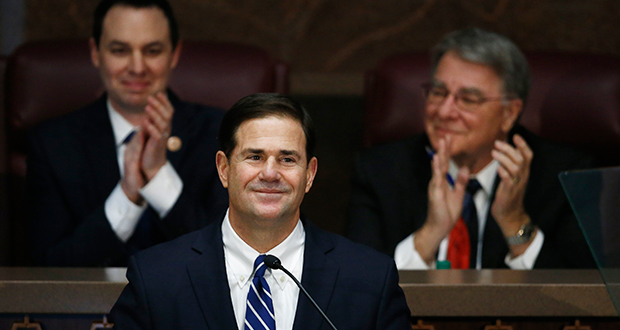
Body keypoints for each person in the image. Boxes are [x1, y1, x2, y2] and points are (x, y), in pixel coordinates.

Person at [110, 93, 412, 330]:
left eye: (287, 159)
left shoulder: (370, 279)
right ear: (224, 169)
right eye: (254, 157)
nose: (270, 173)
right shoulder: (156, 278)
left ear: (310, 175)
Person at [346, 28, 596, 269]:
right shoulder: (380, 172)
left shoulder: (564, 176)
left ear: (509, 113)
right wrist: (430, 234)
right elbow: (356, 288)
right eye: (438, 92)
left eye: (468, 99)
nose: (444, 111)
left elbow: (581, 299)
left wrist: (514, 221)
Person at [26, 0, 228, 266]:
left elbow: (229, 257)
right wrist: (127, 195)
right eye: (119, 50)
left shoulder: (221, 132)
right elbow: (46, 271)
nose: (137, 66)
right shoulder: (52, 142)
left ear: (175, 54)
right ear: (96, 52)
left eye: (152, 50)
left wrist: (157, 178)